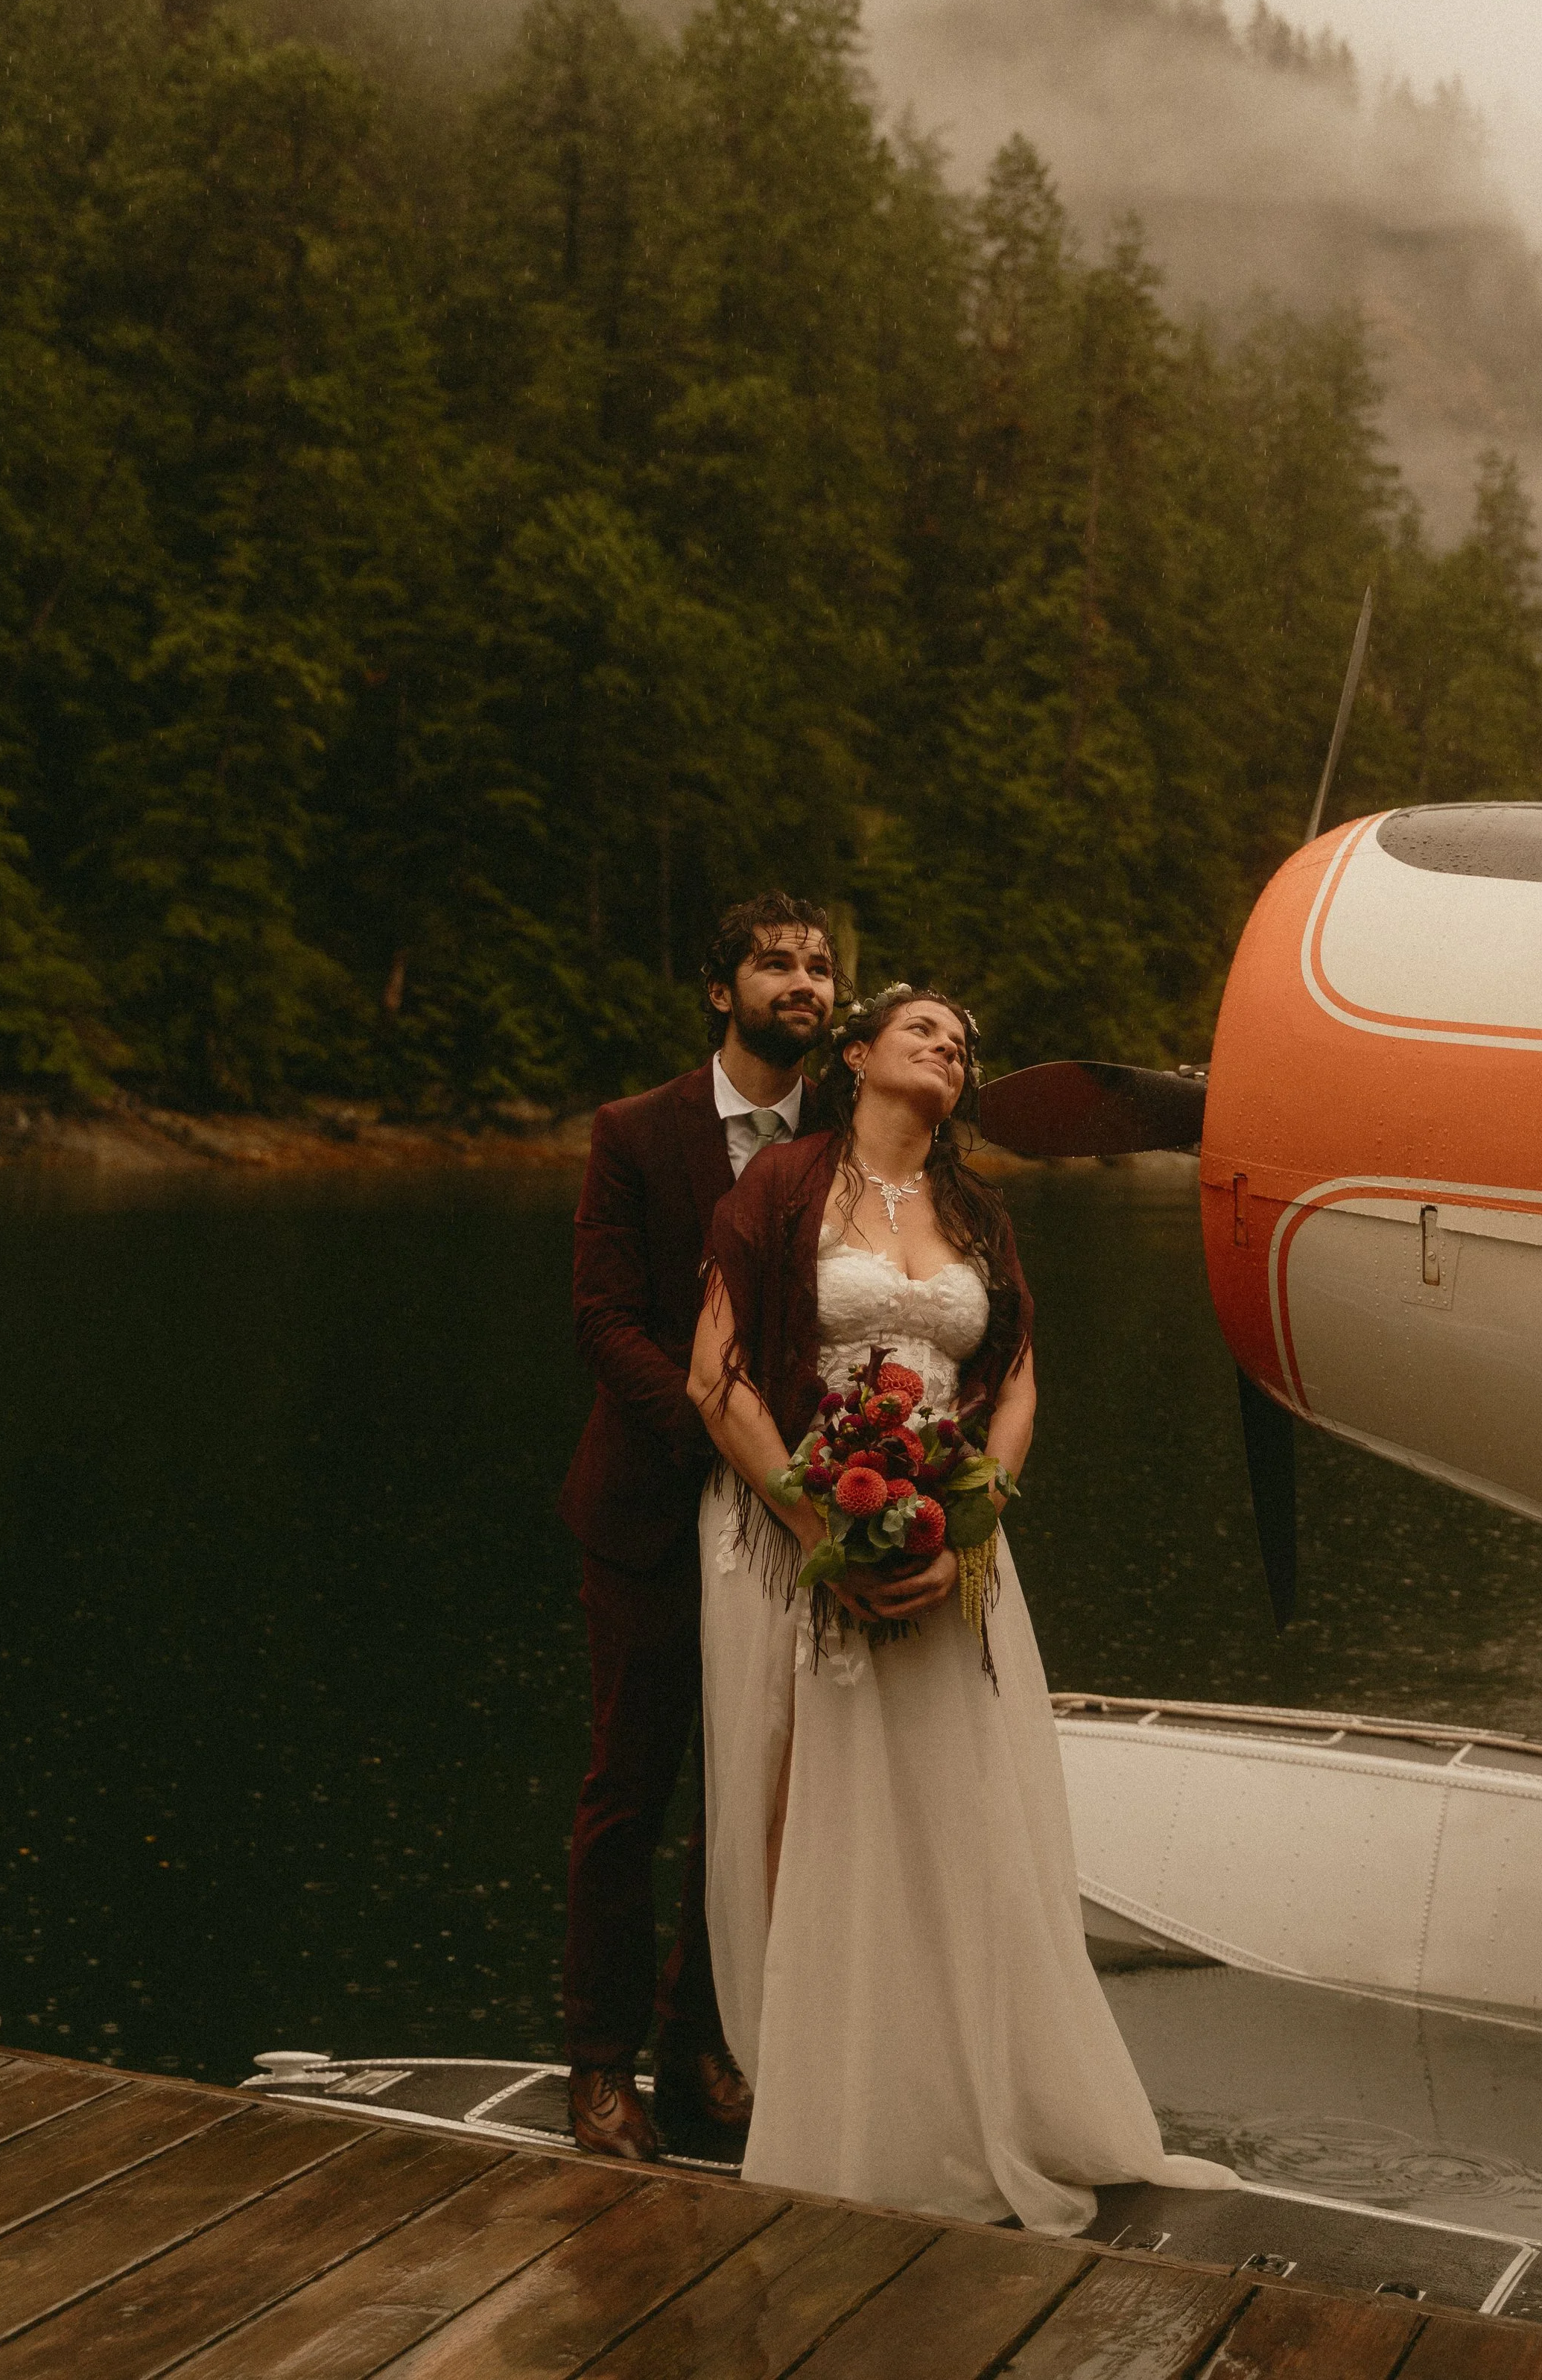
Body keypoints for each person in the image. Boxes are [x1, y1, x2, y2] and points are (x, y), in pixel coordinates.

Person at [688, 981, 1237, 2232]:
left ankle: (964, 2087)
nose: (948, 1045)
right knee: (804, 1809)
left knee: (958, 1815)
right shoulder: (778, 1189)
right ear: (857, 1053)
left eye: (961, 1041)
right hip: (794, 1537)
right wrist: (823, 1532)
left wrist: (967, 1522)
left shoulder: (979, 1212)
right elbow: (715, 1376)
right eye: (922, 1028)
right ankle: (825, 2097)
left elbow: (1019, 1384)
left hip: (951, 1539)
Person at [559, 892, 839, 2159]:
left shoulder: (842, 1132)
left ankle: (700, 2047)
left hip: (794, 1518)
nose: (803, 981)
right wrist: (715, 1427)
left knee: (751, 1796)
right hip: (655, 1510)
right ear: (721, 991)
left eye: (820, 965)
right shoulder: (634, 1130)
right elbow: (603, 1315)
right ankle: (600, 2065)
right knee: (631, 1790)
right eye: (775, 963)